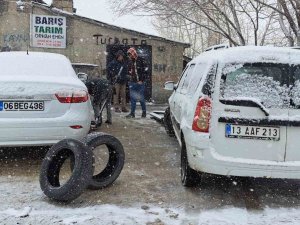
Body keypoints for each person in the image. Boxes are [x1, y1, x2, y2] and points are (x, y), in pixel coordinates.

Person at [125, 47, 147, 118]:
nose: (129, 56)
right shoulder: (130, 61)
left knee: (141, 99)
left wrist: (142, 80)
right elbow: (128, 71)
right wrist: (129, 74)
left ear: (133, 53)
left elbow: (145, 71)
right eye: (128, 55)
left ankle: (144, 112)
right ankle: (132, 113)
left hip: (140, 83)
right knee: (133, 99)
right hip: (132, 83)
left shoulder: (141, 60)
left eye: (130, 54)